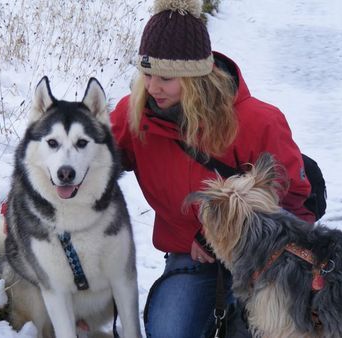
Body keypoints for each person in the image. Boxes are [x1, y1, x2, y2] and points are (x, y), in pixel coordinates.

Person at [110, 0, 315, 337]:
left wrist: (220, 235)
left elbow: (296, 203)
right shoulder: (134, 116)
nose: (152, 87)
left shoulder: (257, 122)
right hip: (191, 258)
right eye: (146, 73)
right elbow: (86, 165)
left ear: (195, 78)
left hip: (264, 259)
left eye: (166, 78)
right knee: (169, 331)